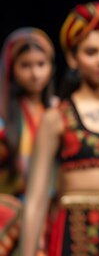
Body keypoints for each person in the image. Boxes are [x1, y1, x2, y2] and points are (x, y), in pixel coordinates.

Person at [22, 1, 99, 256]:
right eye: (91, 52)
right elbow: (36, 199)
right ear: (73, 57)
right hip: (72, 232)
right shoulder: (56, 117)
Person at [0, 27, 56, 254]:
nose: (35, 73)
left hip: (51, 210)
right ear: (12, 70)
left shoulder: (59, 112)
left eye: (41, 64)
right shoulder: (4, 118)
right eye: (26, 66)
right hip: (11, 212)